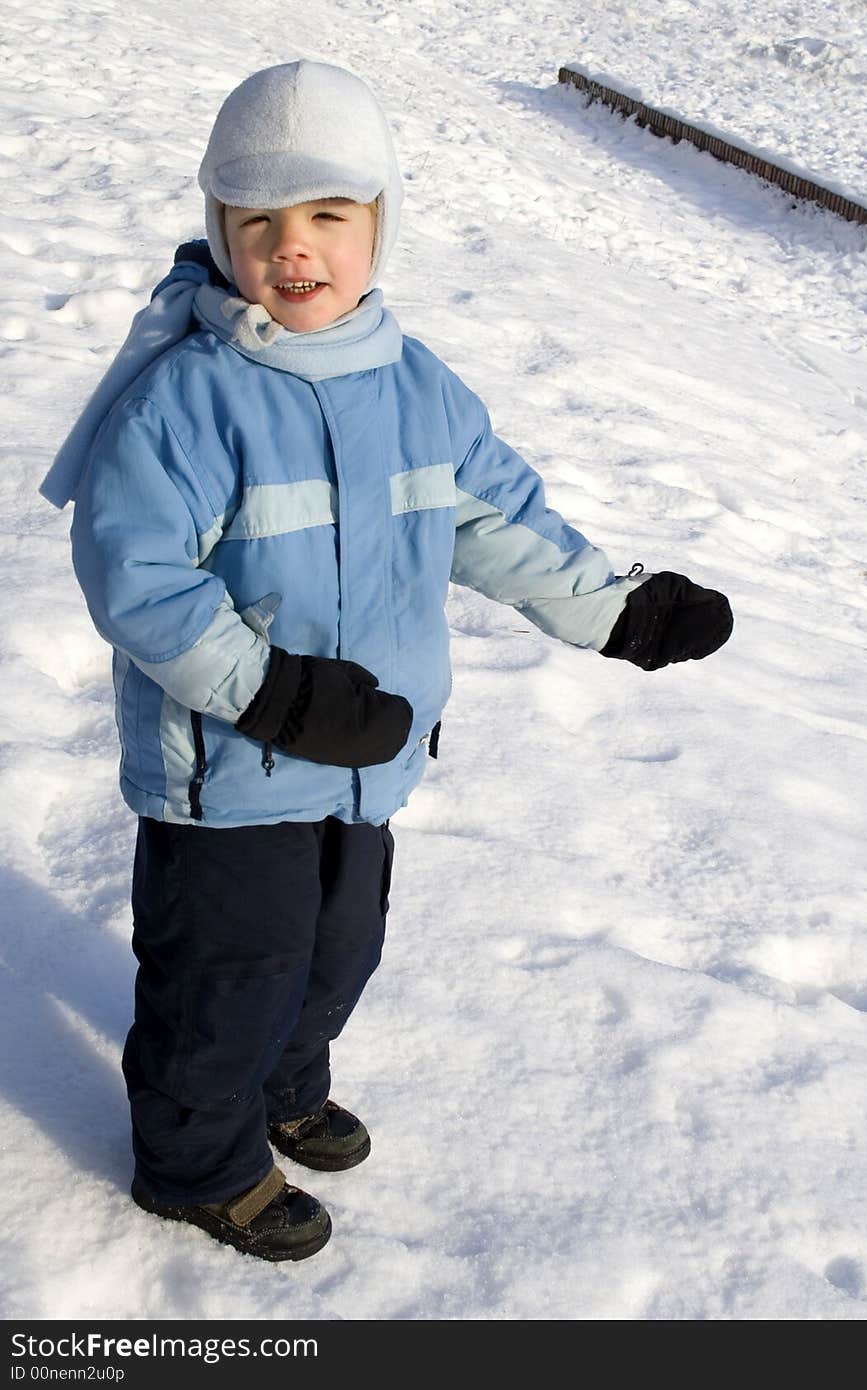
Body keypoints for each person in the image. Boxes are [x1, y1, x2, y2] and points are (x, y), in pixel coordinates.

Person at [43, 60, 733, 1263]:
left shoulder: (417, 389)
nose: (290, 248)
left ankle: (282, 1084)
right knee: (226, 970)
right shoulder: (186, 401)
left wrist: (615, 612)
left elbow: (497, 520)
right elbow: (138, 579)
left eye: (327, 216)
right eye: (255, 221)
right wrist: (275, 692)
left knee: (338, 948)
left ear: (380, 222)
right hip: (231, 774)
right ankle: (195, 1160)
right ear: (220, 230)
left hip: (367, 762)